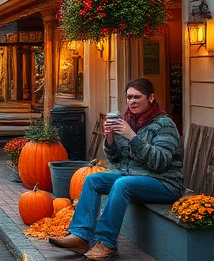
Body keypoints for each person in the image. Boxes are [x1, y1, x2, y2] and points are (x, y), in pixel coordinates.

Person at [49, 77, 184, 260]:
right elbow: (118, 159)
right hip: (136, 177)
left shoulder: (164, 125)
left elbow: (159, 162)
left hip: (165, 183)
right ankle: (81, 237)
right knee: (93, 179)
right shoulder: (129, 121)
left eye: (137, 97)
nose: (132, 102)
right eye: (129, 97)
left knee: (122, 184)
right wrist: (110, 140)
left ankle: (106, 244)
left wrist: (132, 136)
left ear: (151, 98)